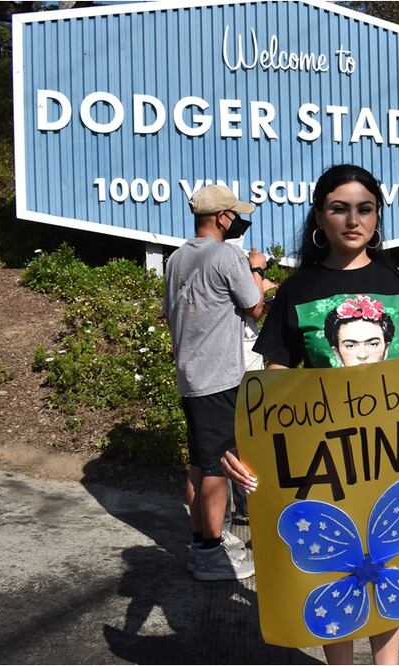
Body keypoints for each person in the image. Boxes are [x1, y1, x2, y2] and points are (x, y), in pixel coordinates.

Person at [224, 164, 399, 665]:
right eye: (339, 208)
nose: (352, 219)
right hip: (327, 464)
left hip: (398, 456)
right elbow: (274, 383)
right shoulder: (298, 290)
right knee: (337, 571)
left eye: (364, 208)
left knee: (392, 560)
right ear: (320, 216)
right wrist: (243, 444)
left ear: (378, 216)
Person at [163, 183, 268, 581]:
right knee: (218, 467)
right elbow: (254, 306)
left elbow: (169, 312)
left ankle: (205, 540)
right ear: (223, 217)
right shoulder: (226, 255)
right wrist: (256, 268)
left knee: (199, 462)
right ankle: (210, 556)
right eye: (235, 214)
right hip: (220, 376)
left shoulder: (176, 259)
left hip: (190, 374)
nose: (238, 220)